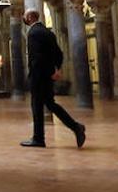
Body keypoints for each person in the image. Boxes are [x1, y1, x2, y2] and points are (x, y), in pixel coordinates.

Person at [22, 9, 85, 148]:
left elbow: (36, 58)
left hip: (39, 76)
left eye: (25, 16)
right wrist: (56, 70)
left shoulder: (33, 33)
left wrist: (35, 76)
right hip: (48, 75)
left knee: (37, 106)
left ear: (31, 17)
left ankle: (39, 139)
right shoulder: (48, 32)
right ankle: (76, 127)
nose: (24, 18)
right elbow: (59, 53)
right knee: (51, 104)